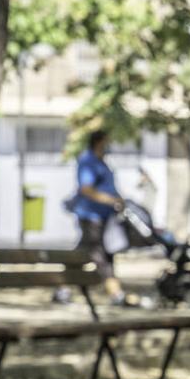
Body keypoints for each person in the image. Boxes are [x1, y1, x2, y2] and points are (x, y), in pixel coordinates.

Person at [66, 129, 132, 305]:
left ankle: (62, 287)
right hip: (90, 215)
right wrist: (111, 200)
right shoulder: (88, 161)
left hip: (104, 217)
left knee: (83, 253)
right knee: (98, 253)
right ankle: (115, 292)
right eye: (107, 141)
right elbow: (86, 189)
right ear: (99, 142)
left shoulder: (102, 163)